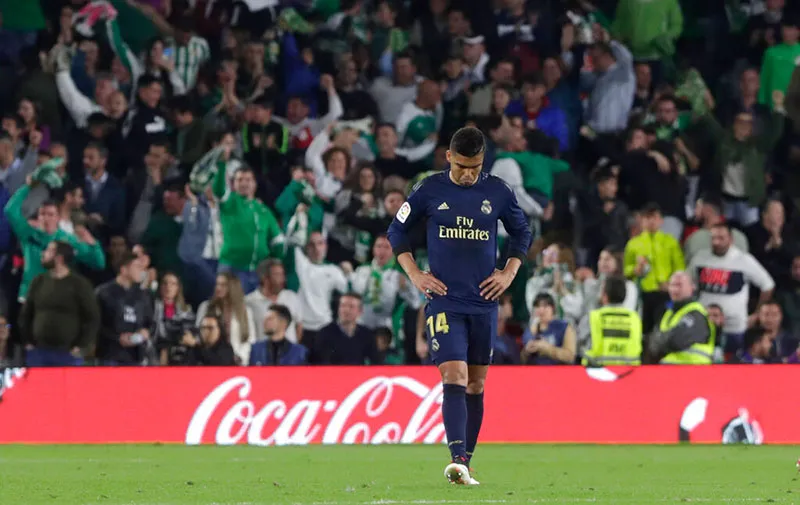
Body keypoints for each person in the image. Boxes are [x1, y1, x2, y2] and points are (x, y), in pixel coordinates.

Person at [387, 126, 532, 485]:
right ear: (449, 157)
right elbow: (396, 231)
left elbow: (522, 232)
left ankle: (465, 461)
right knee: (454, 376)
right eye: (463, 166)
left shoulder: (497, 191)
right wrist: (416, 274)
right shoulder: (429, 189)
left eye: (476, 167)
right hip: (444, 301)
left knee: (477, 386)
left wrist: (508, 273)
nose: (469, 175)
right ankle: (457, 459)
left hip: (484, 302)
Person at [688, 223, 774, 355]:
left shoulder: (743, 260)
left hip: (734, 326)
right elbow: (688, 283)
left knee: (733, 367)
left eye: (721, 238)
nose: (716, 242)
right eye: (714, 238)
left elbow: (767, 285)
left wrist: (757, 314)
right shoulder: (700, 258)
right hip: (704, 324)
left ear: (731, 239)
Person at [21, 241, 99, 366]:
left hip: (68, 353)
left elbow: (92, 317)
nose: (43, 254)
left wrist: (81, 345)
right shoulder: (39, 281)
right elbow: (26, 313)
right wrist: (27, 341)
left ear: (59, 258)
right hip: (38, 351)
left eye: (48, 251)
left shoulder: (79, 284)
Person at [95, 252, 155, 365]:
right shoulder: (103, 293)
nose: (141, 271)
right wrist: (117, 338)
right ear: (124, 270)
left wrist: (145, 332)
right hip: (109, 356)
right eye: (137, 267)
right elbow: (95, 324)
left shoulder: (143, 295)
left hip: (135, 357)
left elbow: (151, 323)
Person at [648, 272, 716, 365]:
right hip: (668, 372)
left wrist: (662, 340)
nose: (675, 289)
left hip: (694, 373)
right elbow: (652, 345)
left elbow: (677, 341)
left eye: (679, 285)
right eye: (672, 285)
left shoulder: (696, 313)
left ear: (692, 287)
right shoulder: (667, 314)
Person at [582, 276, 642, 366]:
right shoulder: (635, 318)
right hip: (630, 372)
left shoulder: (593, 317)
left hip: (598, 372)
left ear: (605, 296)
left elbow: (580, 343)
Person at [521, 293, 577, 365]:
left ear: (553, 308)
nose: (541, 310)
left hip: (558, 373)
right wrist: (526, 352)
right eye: (537, 306)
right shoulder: (530, 330)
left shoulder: (564, 327)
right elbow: (522, 360)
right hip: (534, 372)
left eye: (545, 306)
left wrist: (548, 348)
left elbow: (570, 357)